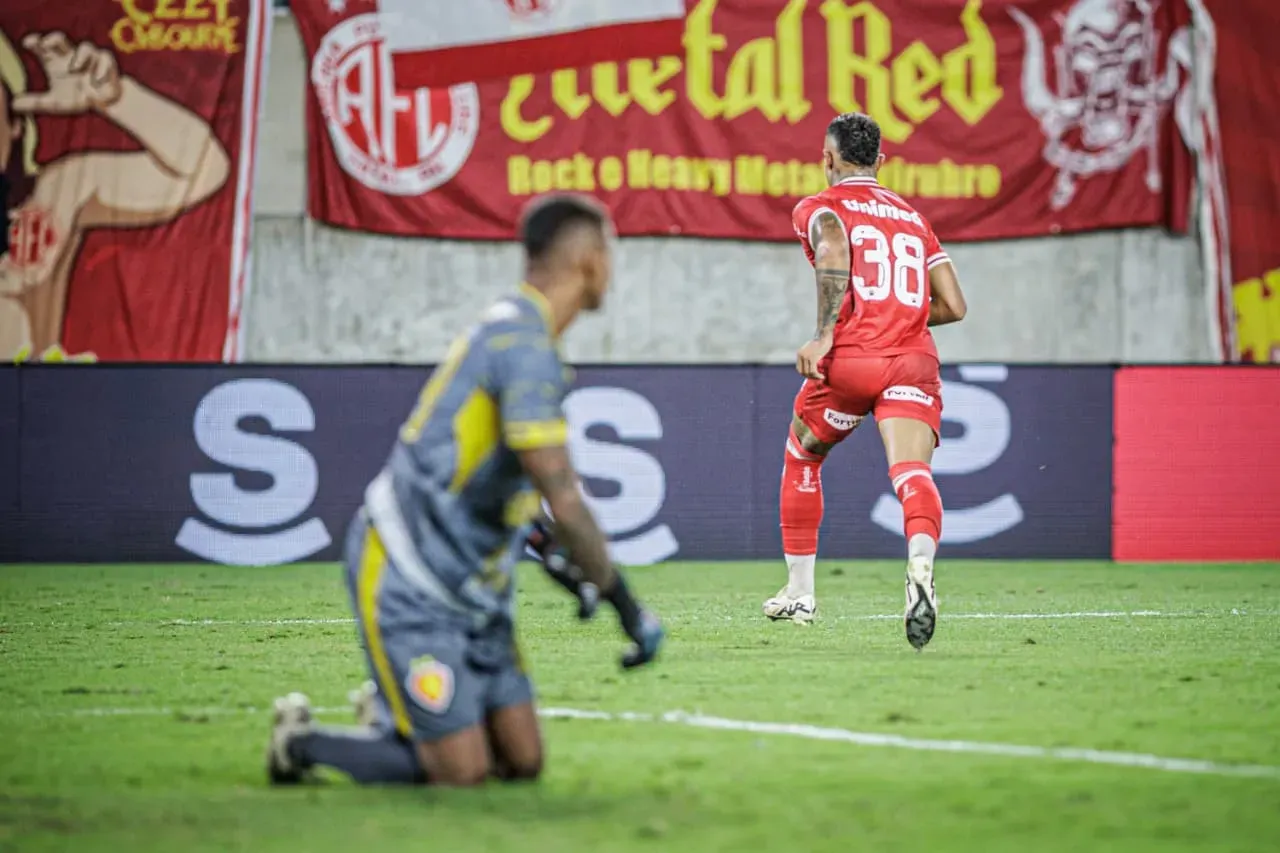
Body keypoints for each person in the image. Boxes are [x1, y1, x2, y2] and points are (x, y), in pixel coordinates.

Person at [266, 193, 664, 788]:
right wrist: (627, 608)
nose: (611, 265)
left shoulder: (517, 330)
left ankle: (395, 712)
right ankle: (299, 743)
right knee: (462, 772)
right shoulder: (525, 351)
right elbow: (566, 498)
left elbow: (499, 479)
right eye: (607, 250)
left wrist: (550, 553)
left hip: (475, 586)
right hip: (411, 571)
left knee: (522, 761)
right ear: (584, 258)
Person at [762, 112, 969, 650]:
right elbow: (954, 304)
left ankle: (801, 592)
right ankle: (920, 567)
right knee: (910, 471)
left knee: (803, 456)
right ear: (881, 162)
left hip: (853, 359)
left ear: (827, 159)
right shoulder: (913, 217)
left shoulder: (820, 207)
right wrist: (900, 314)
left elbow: (832, 250)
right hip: (913, 359)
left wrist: (825, 334)